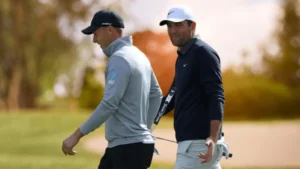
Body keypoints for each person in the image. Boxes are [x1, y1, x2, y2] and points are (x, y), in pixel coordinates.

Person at [61, 9, 163, 169]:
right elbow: (156, 95)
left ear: (109, 30)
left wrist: (76, 136)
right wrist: (145, 129)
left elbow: (109, 104)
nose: (94, 40)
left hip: (125, 151)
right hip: (136, 147)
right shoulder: (140, 56)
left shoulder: (119, 59)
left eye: (96, 33)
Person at [158, 6, 230, 169]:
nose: (172, 31)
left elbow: (216, 95)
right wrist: (143, 116)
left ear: (192, 26)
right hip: (193, 145)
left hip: (198, 145)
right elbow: (172, 97)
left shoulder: (203, 52)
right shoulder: (183, 56)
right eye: (169, 26)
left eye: (178, 25)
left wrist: (213, 137)